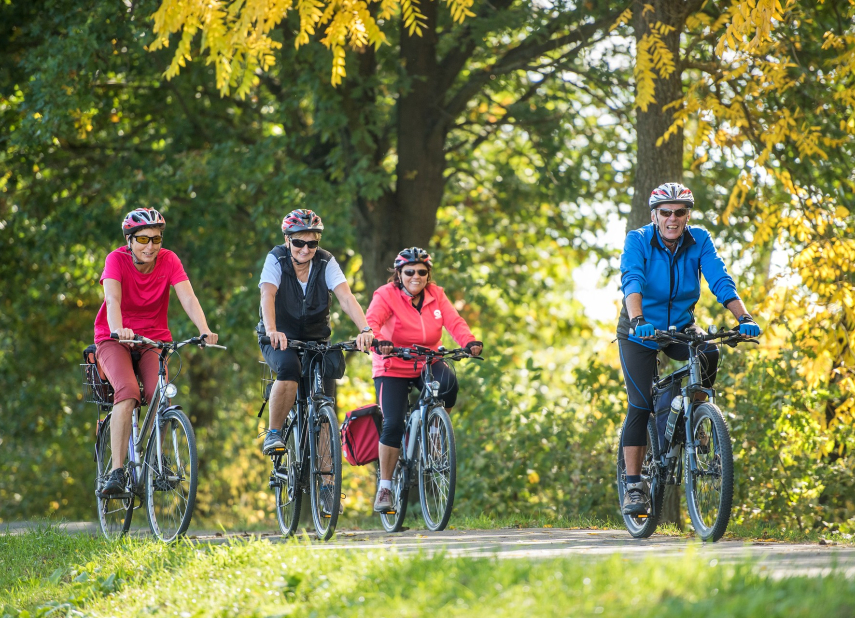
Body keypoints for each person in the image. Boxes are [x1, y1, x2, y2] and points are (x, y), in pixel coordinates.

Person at [616, 182, 762, 515]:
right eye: (665, 212)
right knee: (640, 404)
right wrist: (638, 319)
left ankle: (697, 419)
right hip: (639, 331)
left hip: (680, 326)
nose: (672, 218)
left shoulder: (699, 240)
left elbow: (719, 280)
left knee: (708, 352)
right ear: (655, 215)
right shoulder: (638, 240)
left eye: (679, 212)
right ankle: (635, 485)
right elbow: (632, 280)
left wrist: (744, 317)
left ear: (687, 215)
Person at [94, 208, 218, 495]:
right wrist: (118, 329)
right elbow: (112, 300)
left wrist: (203, 328)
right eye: (143, 239)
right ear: (130, 240)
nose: (150, 246)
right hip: (114, 339)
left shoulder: (169, 260)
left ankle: (156, 457)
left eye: (156, 239)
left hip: (153, 340)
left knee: (161, 393)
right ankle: (117, 471)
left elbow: (188, 296)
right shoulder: (116, 260)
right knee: (127, 392)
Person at [367, 247, 483, 512]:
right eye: (410, 272)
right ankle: (385, 486)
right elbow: (372, 321)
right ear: (399, 274)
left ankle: (433, 432)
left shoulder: (436, 295)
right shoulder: (385, 295)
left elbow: (455, 322)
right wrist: (378, 340)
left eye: (422, 272)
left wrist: (469, 341)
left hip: (427, 360)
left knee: (449, 385)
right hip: (392, 364)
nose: (416, 276)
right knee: (393, 424)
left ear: (428, 274)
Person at [257, 209, 373, 459]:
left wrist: (365, 328)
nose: (305, 249)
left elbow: (346, 296)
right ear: (288, 240)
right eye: (299, 242)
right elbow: (267, 294)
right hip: (279, 337)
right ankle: (274, 433)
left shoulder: (325, 261)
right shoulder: (276, 258)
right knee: (289, 368)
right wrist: (272, 330)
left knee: (325, 407)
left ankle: (328, 488)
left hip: (317, 339)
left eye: (312, 243)